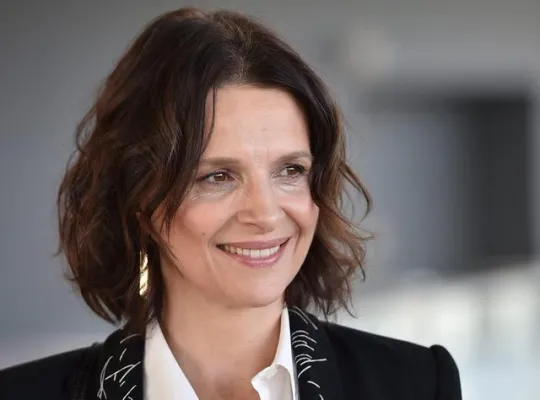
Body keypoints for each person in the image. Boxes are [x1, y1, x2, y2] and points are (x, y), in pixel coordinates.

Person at [0, 7, 462, 400]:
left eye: (290, 170)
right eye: (217, 177)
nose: (265, 214)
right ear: (140, 202)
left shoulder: (416, 384)